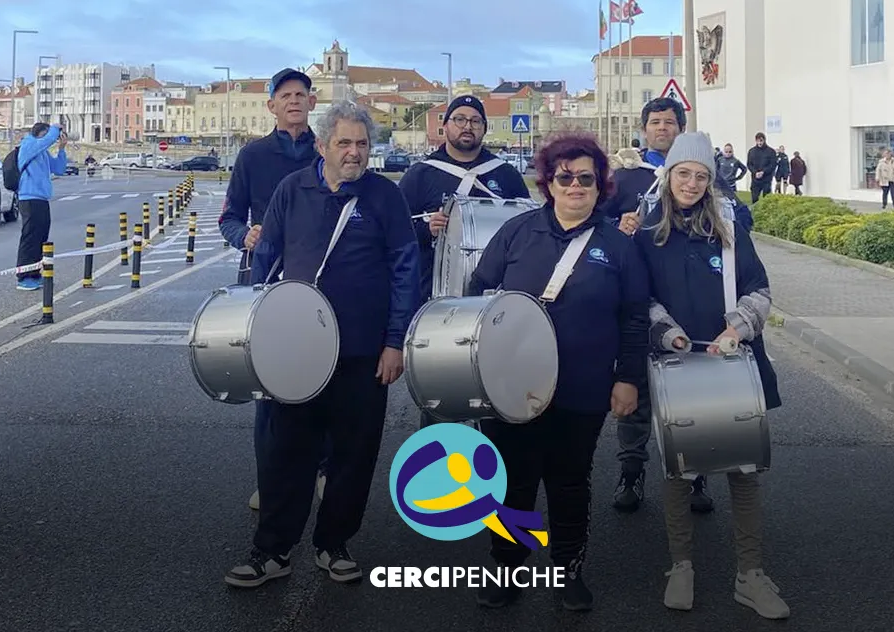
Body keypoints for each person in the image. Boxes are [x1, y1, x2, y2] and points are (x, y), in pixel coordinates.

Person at [224, 101, 420, 590]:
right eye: (344, 143)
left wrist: (395, 342)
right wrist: (258, 331)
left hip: (363, 352)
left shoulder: (384, 196)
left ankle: (335, 544)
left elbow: (405, 269)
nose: (354, 153)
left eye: (362, 144)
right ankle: (272, 550)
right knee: (286, 453)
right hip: (297, 349)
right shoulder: (293, 190)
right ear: (322, 145)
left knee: (354, 455)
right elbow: (266, 262)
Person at [465, 132, 650, 612]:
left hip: (583, 384)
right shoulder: (517, 232)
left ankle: (568, 570)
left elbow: (634, 317)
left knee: (569, 482)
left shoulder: (618, 245)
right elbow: (477, 291)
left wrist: (627, 378)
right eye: (565, 177)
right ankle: (506, 569)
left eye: (586, 179)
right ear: (548, 182)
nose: (575, 187)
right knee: (512, 481)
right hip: (510, 383)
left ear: (600, 185)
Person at [633, 131, 788, 619]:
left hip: (733, 359)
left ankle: (750, 575)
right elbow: (638, 298)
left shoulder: (730, 227)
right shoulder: (647, 231)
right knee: (679, 469)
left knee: (744, 469)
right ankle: (681, 566)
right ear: (668, 175)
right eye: (683, 173)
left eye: (701, 176)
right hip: (676, 364)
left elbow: (759, 288)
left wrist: (736, 328)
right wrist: (668, 332)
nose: (692, 183)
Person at [218, 67, 320, 513]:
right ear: (271, 106)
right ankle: (272, 480)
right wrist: (245, 236)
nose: (294, 101)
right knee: (271, 387)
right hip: (268, 283)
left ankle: (322, 470)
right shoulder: (252, 156)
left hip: (325, 283)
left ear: (312, 103)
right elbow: (229, 218)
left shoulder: (329, 150)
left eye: (301, 94)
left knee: (325, 380)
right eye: (286, 96)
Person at [605, 97, 714, 517]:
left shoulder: (702, 174)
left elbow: (733, 222)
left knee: (694, 400)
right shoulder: (626, 176)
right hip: (640, 299)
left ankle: (696, 475)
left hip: (691, 303)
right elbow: (597, 222)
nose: (662, 128)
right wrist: (618, 227)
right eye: (655, 122)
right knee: (636, 393)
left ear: (681, 129)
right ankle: (631, 472)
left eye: (670, 122)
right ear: (644, 128)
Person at [398, 95, 529, 302]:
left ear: (484, 128)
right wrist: (427, 229)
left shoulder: (506, 174)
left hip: (493, 296)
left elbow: (529, 227)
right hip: (433, 294)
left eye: (475, 121)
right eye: (459, 119)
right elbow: (397, 233)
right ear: (445, 126)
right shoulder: (420, 174)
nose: (467, 126)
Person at [14, 123, 68, 290]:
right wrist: (55, 128)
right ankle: (24, 277)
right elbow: (47, 140)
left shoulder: (42, 151)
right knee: (30, 237)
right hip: (29, 197)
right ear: (40, 134)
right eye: (47, 135)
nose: (51, 139)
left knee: (40, 237)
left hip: (42, 198)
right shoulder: (29, 145)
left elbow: (59, 169)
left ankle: (35, 273)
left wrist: (61, 149)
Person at [746, 134, 777, 204]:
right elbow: (749, 164)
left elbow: (773, 165)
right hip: (755, 179)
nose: (759, 143)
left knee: (766, 199)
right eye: (758, 141)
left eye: (761, 141)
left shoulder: (771, 151)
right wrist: (755, 172)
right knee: (754, 198)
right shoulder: (752, 151)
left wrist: (763, 172)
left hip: (766, 179)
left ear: (764, 140)